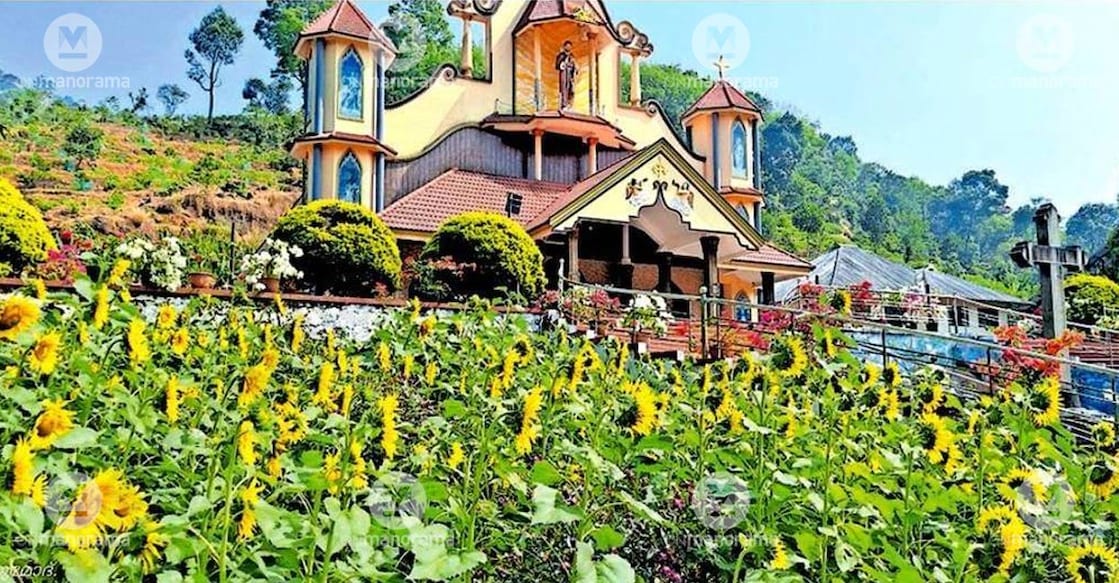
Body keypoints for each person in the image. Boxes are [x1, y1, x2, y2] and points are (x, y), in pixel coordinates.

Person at [555, 41, 577, 110]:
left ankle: (569, 105)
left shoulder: (572, 56)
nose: (568, 47)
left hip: (570, 74)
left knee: (571, 89)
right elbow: (557, 65)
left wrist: (574, 73)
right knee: (564, 89)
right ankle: (564, 105)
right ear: (564, 46)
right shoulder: (561, 55)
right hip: (564, 73)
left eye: (570, 46)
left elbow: (574, 66)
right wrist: (563, 62)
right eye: (567, 46)